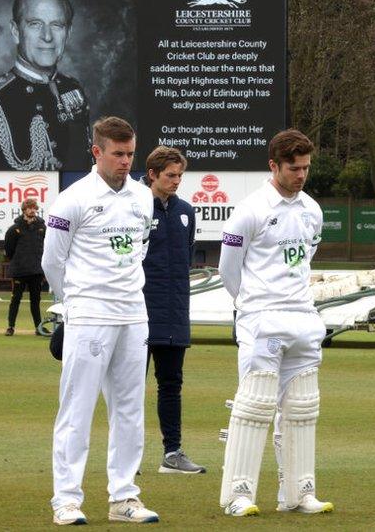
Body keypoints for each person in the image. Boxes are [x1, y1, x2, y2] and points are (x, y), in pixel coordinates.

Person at [42, 117, 159, 526]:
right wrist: (73, 303)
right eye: (118, 154)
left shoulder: (143, 197)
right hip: (90, 314)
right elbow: (52, 262)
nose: (126, 161)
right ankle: (66, 500)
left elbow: (139, 251)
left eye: (130, 154)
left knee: (130, 408)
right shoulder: (72, 199)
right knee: (77, 407)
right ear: (97, 152)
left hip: (133, 313)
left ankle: (123, 497)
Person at [217, 129, 333, 517]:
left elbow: (304, 261)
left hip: (302, 316)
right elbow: (228, 269)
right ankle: (238, 494)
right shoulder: (250, 210)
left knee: (301, 408)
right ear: (274, 165)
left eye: (305, 168)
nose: (300, 175)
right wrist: (250, 307)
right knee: (254, 406)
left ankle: (299, 493)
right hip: (261, 319)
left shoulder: (312, 210)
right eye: (293, 168)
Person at [0, 0, 91, 172]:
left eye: (57, 25)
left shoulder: (72, 89)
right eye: (35, 24)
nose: (47, 37)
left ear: (68, 33)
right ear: (15, 31)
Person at [140, 146, 205, 474]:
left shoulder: (186, 212)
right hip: (138, 311)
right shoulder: (135, 207)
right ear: (152, 174)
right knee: (130, 387)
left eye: (180, 175)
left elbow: (186, 255)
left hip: (175, 311)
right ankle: (129, 456)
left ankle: (173, 453)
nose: (176, 180)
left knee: (171, 384)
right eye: (170, 175)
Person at [4, 198, 47, 336]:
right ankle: (10, 327)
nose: (32, 210)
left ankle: (38, 328)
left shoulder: (42, 227)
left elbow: (47, 247)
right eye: (29, 208)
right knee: (15, 299)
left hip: (36, 270)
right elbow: (9, 250)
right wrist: (18, 261)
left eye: (34, 208)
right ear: (24, 210)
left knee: (36, 301)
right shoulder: (14, 229)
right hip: (19, 270)